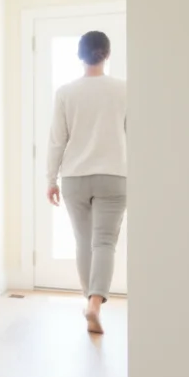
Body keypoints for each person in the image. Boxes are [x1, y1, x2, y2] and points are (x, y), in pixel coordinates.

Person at [46, 30, 127, 334]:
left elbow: (57, 140)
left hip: (75, 178)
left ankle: (88, 301)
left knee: (83, 241)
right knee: (104, 242)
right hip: (114, 177)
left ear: (80, 56)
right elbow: (134, 136)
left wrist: (50, 179)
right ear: (106, 54)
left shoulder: (66, 93)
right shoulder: (124, 90)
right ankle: (95, 304)